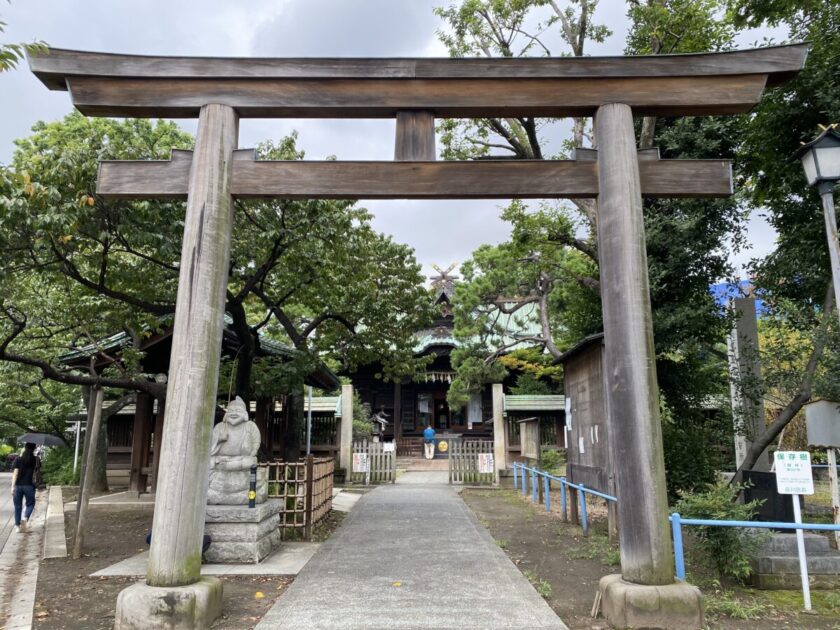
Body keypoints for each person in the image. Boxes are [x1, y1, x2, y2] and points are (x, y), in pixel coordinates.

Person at [10, 442, 37, 533]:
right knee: (30, 503)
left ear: (25, 448)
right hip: (29, 485)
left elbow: (15, 473)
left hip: (18, 486)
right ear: (34, 449)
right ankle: (25, 517)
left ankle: (17, 526)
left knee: (17, 506)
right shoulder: (35, 460)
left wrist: (12, 486)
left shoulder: (18, 459)